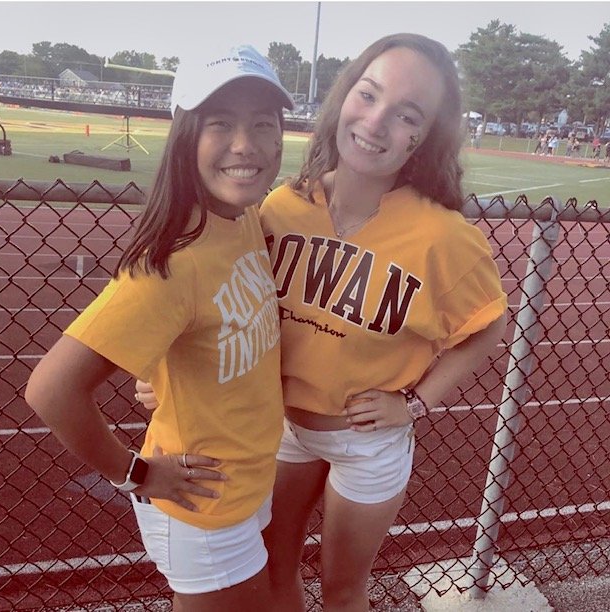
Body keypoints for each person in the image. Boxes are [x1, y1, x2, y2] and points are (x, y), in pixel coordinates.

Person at [137, 33, 508, 611]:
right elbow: (218, 298)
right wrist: (165, 371)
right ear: (343, 99)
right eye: (368, 95)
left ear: (424, 136)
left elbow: (488, 327)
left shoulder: (444, 238)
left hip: (367, 444)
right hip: (280, 426)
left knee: (341, 590)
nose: (377, 123)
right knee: (275, 568)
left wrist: (416, 403)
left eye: (406, 114)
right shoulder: (280, 207)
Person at [25, 44, 294, 612]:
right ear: (186, 136)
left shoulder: (242, 219)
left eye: (262, 125)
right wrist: (135, 473)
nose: (245, 145)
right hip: (202, 511)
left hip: (247, 485)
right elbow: (50, 389)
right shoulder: (170, 264)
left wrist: (157, 372)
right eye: (220, 123)